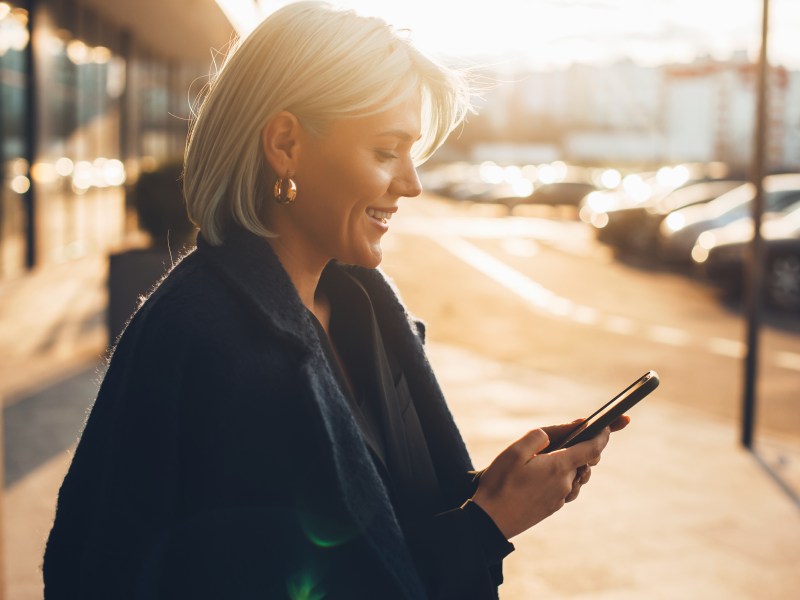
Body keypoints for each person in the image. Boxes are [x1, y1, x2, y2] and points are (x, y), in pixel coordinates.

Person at [43, 2, 628, 598]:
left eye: (412, 153)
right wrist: (486, 527)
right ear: (287, 144)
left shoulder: (365, 311)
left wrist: (495, 492)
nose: (412, 183)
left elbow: (380, 526)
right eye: (385, 151)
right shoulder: (200, 338)